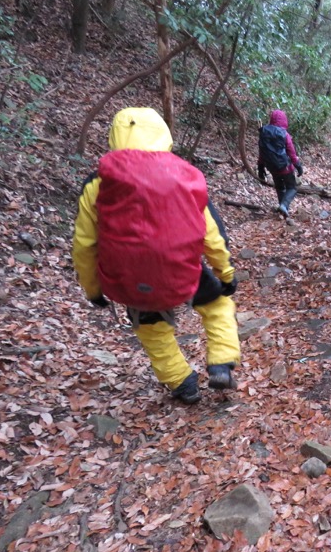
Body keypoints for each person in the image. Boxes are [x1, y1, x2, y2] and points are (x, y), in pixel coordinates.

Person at [72, 107, 241, 405]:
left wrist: (93, 289)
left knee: (152, 328)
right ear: (163, 134)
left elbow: (85, 243)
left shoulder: (98, 183)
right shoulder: (184, 175)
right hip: (182, 269)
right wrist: (226, 274)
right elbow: (212, 234)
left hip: (129, 277)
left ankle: (182, 382)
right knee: (217, 305)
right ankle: (220, 363)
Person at [257, 109, 303, 217]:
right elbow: (291, 152)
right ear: (284, 120)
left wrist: (260, 167)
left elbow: (262, 151)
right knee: (292, 187)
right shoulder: (284, 134)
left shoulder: (263, 132)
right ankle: (284, 205)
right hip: (285, 167)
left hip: (272, 167)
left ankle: (282, 209)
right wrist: (298, 165)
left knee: (279, 187)